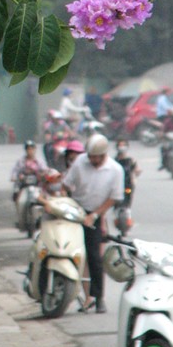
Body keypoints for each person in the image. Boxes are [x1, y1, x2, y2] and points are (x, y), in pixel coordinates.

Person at [63, 134, 124, 314]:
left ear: (104, 154)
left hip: (95, 213)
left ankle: (98, 297)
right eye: (90, 156)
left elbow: (114, 198)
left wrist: (95, 214)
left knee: (94, 257)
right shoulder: (80, 162)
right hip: (76, 209)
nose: (92, 160)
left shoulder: (115, 170)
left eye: (96, 157)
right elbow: (66, 185)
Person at [11, 140, 46, 223]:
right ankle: (19, 217)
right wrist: (15, 177)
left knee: (44, 195)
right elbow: (15, 171)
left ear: (35, 149)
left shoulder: (39, 161)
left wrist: (43, 175)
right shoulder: (21, 161)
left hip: (37, 184)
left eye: (32, 149)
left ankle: (42, 216)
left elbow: (45, 170)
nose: (30, 151)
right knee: (17, 197)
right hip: (23, 184)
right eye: (28, 149)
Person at [114, 139, 140, 232]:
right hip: (116, 186)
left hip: (127, 186)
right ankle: (117, 218)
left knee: (127, 203)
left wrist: (137, 172)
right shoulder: (114, 161)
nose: (122, 147)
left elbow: (136, 170)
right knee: (116, 203)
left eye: (124, 145)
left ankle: (128, 218)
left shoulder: (130, 160)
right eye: (120, 145)